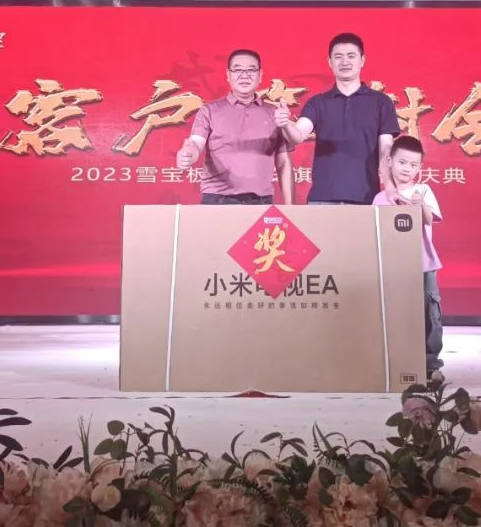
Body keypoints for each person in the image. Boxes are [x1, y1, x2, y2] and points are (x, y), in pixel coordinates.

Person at [274, 32, 400, 204]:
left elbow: (385, 150)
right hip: (322, 200)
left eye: (351, 56)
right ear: (330, 62)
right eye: (338, 56)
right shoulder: (317, 103)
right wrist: (286, 123)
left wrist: (390, 186)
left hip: (366, 200)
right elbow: (298, 135)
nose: (344, 62)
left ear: (362, 60)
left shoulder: (381, 102)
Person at [176, 49, 294, 205]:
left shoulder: (274, 113)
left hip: (261, 201)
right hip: (217, 200)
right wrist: (188, 154)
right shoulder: (209, 110)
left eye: (251, 70)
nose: (244, 75)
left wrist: (290, 207)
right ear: (228, 75)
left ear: (260, 75)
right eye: (237, 70)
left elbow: (283, 163)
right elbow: (196, 144)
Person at [372, 135, 444, 378]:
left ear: (420, 168)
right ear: (389, 162)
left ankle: (431, 365)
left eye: (413, 165)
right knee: (395, 313)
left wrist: (419, 205)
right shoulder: (380, 198)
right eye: (402, 162)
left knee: (429, 314)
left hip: (423, 263)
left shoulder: (423, 190)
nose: (407, 169)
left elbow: (429, 220)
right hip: (392, 267)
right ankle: (395, 362)